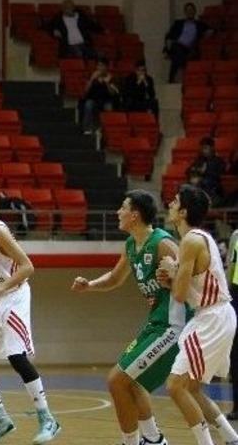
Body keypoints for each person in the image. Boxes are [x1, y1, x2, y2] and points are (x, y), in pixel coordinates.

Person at [71, 190, 184, 445]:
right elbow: (114, 278)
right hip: (155, 324)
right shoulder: (132, 245)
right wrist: (89, 284)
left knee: (116, 381)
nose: (117, 212)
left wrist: (175, 278)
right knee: (131, 382)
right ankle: (154, 440)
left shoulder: (163, 243)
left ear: (134, 215)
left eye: (122, 208)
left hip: (173, 326)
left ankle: (130, 442)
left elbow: (191, 281)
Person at [0, 182, 61, 444]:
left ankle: (47, 417)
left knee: (16, 356)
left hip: (13, 295)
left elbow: (28, 267)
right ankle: (0, 417)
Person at [156, 185, 238, 445]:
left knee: (175, 386)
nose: (170, 203)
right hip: (213, 314)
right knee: (191, 388)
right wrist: (171, 278)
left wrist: (171, 271)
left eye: (175, 201)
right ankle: (232, 437)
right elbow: (183, 289)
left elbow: (179, 296)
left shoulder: (191, 241)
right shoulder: (195, 239)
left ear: (184, 211)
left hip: (212, 316)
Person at [164, 2, 213, 83]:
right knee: (177, 48)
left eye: (191, 10)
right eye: (188, 10)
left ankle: (171, 80)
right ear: (185, 12)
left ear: (194, 11)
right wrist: (166, 49)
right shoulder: (178, 23)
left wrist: (208, 33)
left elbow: (212, 30)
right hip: (178, 45)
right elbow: (169, 35)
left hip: (190, 48)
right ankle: (182, 73)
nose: (189, 12)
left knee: (176, 57)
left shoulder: (199, 24)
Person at [79, 57, 119, 134]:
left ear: (107, 67)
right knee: (88, 104)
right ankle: (87, 128)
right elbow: (86, 91)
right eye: (98, 66)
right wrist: (92, 79)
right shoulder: (92, 76)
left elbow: (113, 93)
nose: (100, 68)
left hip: (106, 100)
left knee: (109, 107)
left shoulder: (111, 77)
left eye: (102, 66)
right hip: (94, 100)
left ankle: (107, 131)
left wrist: (107, 83)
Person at [187, 137, 226, 204]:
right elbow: (188, 171)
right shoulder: (199, 160)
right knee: (185, 186)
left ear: (212, 148)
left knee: (203, 183)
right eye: (202, 148)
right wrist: (195, 170)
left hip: (213, 188)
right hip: (198, 185)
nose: (203, 151)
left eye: (205, 148)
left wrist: (205, 172)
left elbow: (219, 175)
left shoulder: (219, 161)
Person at [226, 228, 238, 420]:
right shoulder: (236, 235)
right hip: (236, 294)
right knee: (236, 356)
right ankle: (237, 406)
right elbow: (230, 265)